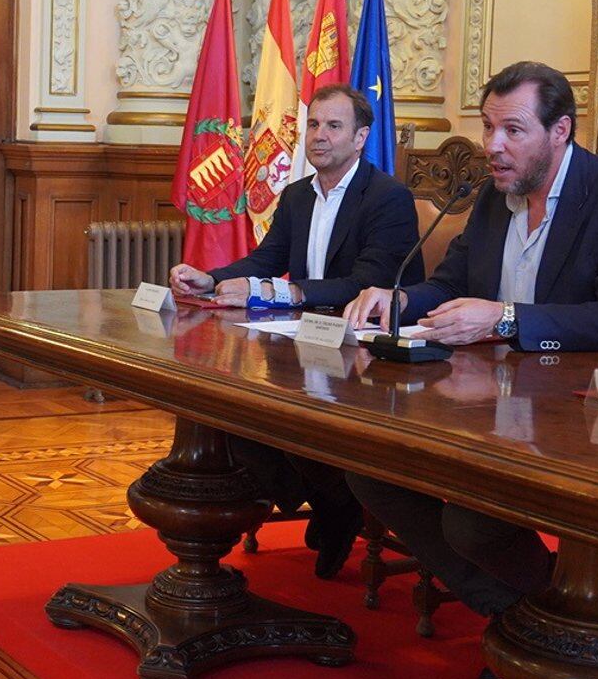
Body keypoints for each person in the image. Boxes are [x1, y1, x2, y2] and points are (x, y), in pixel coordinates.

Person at [343, 61, 598, 619]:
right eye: (489, 127)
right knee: (369, 469)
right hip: (495, 400)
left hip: (589, 409)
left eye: (513, 130)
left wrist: (507, 319)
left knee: (472, 520)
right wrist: (396, 300)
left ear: (559, 130)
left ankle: (568, 617)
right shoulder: (495, 195)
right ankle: (525, 613)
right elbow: (450, 282)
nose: (493, 145)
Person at [171, 85, 423, 577]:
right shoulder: (297, 195)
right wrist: (214, 277)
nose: (320, 137)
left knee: (295, 421)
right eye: (313, 125)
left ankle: (334, 501)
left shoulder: (388, 198)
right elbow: (268, 260)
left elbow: (365, 282)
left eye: (334, 126)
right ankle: (330, 497)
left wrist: (286, 293)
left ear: (360, 137)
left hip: (367, 353)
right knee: (241, 415)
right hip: (304, 341)